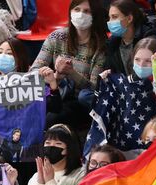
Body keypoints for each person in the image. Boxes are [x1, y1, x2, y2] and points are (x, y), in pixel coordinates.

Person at [31, 0, 107, 128]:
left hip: (80, 102)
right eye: (77, 10)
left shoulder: (101, 46)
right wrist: (55, 76)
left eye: (87, 11)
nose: (81, 14)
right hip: (55, 94)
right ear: (70, 12)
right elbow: (34, 70)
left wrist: (71, 73)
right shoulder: (57, 37)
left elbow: (93, 89)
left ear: (95, 15)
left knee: (52, 118)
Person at [88, 37, 156, 159]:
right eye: (137, 60)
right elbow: (98, 109)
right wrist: (101, 86)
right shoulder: (122, 84)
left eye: (148, 61)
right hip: (124, 151)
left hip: (155, 150)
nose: (141, 65)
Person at [104, 0, 156, 75]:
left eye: (114, 17)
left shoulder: (150, 37)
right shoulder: (112, 43)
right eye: (109, 18)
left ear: (129, 19)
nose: (110, 22)